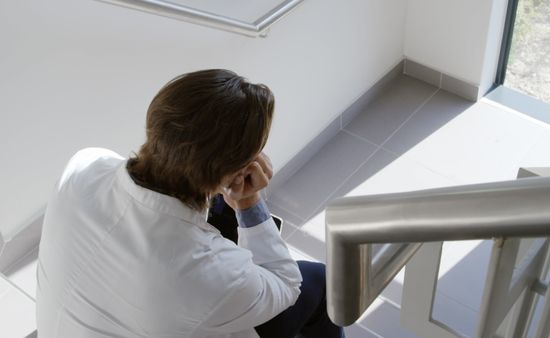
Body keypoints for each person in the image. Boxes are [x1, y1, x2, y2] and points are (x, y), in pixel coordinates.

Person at [36, 69, 345, 338]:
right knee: (319, 281)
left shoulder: (85, 163)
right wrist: (248, 201)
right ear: (234, 170)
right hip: (185, 296)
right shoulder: (206, 271)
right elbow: (287, 285)